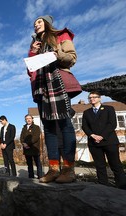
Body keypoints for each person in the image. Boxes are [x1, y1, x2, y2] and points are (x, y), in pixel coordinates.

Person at [27, 15, 81, 183]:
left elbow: (71, 58)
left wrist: (54, 52)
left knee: (64, 123)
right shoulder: (35, 46)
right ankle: (53, 169)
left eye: (39, 22)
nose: (36, 25)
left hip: (58, 82)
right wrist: (34, 53)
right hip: (42, 86)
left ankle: (68, 169)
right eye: (34, 24)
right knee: (49, 127)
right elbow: (31, 72)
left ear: (47, 24)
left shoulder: (60, 36)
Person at [82, 91, 126, 189]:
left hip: (109, 141)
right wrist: (92, 135)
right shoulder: (86, 112)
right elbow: (84, 126)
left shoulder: (109, 109)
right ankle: (103, 185)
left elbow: (112, 124)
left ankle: (122, 185)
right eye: (90, 97)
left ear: (100, 98)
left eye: (94, 97)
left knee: (115, 164)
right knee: (99, 165)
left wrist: (101, 136)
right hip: (94, 143)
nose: (92, 99)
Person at [20, 114, 42, 179]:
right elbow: (21, 138)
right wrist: (23, 144)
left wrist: (27, 144)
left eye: (29, 118)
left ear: (32, 119)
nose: (28, 120)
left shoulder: (36, 127)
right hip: (27, 149)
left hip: (34, 148)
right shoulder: (24, 128)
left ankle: (40, 176)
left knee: (38, 163)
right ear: (25, 120)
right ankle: (31, 177)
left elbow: (36, 137)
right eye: (27, 119)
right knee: (29, 164)